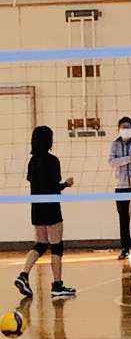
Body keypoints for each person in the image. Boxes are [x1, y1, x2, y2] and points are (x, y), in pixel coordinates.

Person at [14, 126, 76, 298]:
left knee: (41, 244)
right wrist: (65, 185)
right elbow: (53, 187)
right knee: (57, 246)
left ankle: (23, 275)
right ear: (49, 141)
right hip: (51, 206)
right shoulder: (52, 161)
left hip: (36, 207)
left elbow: (38, 184)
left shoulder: (32, 162)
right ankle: (57, 286)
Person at [108, 116, 131, 260]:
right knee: (123, 219)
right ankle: (125, 248)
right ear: (119, 129)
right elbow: (111, 162)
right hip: (120, 186)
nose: (126, 129)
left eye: (128, 127)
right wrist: (128, 159)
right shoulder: (114, 145)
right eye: (123, 127)